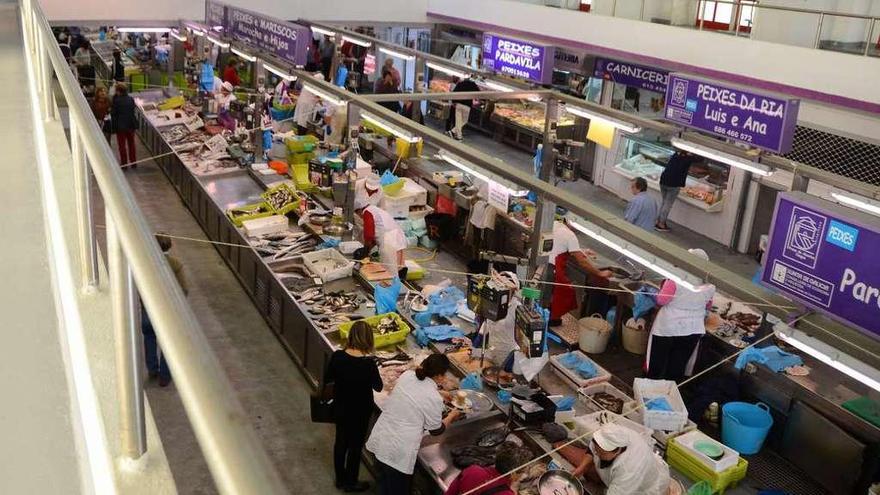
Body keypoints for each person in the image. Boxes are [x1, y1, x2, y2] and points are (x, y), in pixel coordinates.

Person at [366, 354, 461, 494]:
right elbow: (436, 430)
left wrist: (440, 392)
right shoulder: (433, 398)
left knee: (384, 482)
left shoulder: (408, 376)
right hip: (398, 451)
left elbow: (416, 391)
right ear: (440, 376)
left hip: (382, 437)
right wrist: (452, 415)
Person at [324, 321, 382, 493]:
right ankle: (351, 481)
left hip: (340, 407)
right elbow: (378, 386)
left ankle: (340, 480)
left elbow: (328, 379)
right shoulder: (368, 364)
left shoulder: (338, 356)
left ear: (351, 336)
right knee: (355, 446)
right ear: (368, 339)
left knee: (340, 442)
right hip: (360, 412)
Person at [646, 248, 716, 383]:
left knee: (656, 364)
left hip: (668, 328)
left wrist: (649, 292)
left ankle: (649, 390)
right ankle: (669, 395)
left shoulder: (675, 279)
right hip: (693, 329)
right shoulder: (710, 285)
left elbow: (661, 300)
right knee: (677, 367)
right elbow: (708, 305)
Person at [559, 424, 671, 495]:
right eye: (597, 450)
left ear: (618, 451)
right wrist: (582, 468)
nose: (597, 453)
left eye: (601, 453)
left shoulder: (629, 470)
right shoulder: (613, 435)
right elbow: (592, 450)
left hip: (643, 489)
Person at [546, 213, 613, 326]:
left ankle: (550, 316)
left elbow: (565, 245)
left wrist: (581, 250)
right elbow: (582, 262)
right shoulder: (570, 235)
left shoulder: (556, 224)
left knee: (547, 293)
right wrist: (600, 273)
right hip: (552, 268)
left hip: (543, 263)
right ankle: (551, 318)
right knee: (565, 291)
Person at [142, 234, 188, 387]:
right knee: (169, 342)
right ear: (169, 246)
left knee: (149, 337)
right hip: (169, 309)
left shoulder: (146, 262)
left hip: (149, 307)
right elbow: (184, 289)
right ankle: (165, 377)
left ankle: (152, 369)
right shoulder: (176, 264)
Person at [355, 178, 407, 275]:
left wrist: (365, 250)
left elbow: (369, 234)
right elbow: (376, 233)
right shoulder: (376, 210)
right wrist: (370, 247)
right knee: (398, 266)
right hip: (398, 237)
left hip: (389, 240)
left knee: (388, 271)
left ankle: (390, 288)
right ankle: (400, 283)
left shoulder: (367, 212)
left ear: (359, 210)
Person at [443, 442, 533, 495]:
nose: (525, 473)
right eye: (524, 471)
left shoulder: (472, 470)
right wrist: (514, 490)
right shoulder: (506, 493)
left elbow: (449, 493)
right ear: (513, 474)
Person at [656, 150, 701, 232]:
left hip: (663, 181)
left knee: (664, 202)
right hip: (673, 184)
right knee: (667, 204)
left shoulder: (675, 154)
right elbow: (700, 160)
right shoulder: (688, 158)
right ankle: (661, 224)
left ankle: (658, 220)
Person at [110, 83, 138, 167]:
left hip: (120, 126)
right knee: (131, 144)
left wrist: (113, 128)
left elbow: (114, 114)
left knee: (122, 145)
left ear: (118, 91)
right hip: (130, 125)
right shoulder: (130, 99)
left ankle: (124, 163)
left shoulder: (117, 101)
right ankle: (133, 162)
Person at [447, 75, 480, 141]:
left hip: (458, 104)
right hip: (467, 105)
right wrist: (477, 99)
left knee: (458, 120)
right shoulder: (473, 85)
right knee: (464, 121)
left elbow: (454, 93)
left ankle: (454, 133)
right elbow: (478, 94)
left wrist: (454, 102)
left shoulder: (460, 83)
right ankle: (457, 135)